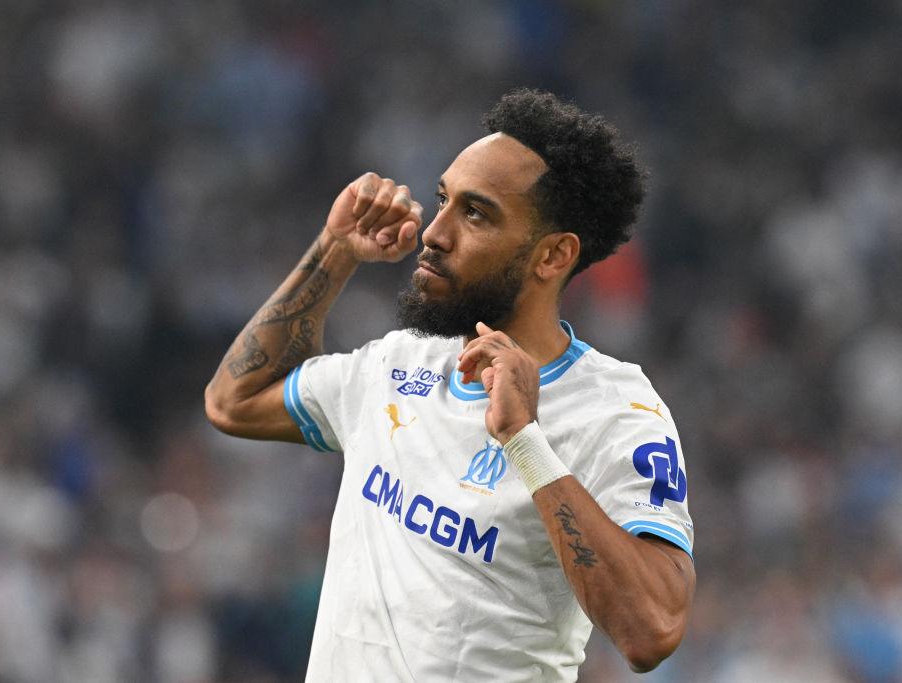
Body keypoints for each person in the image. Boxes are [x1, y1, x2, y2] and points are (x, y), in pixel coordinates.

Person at [205, 88, 695, 681]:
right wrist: (335, 250)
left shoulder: (614, 412)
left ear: (552, 256)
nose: (434, 232)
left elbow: (653, 630)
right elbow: (233, 401)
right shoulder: (398, 363)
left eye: (475, 213)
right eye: (443, 200)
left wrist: (525, 441)